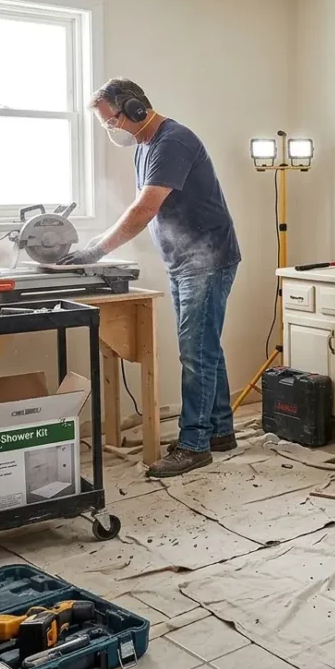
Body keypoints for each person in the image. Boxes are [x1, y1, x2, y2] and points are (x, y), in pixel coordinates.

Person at [64, 78, 242, 478]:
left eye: (112, 122)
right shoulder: (145, 146)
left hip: (207, 259)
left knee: (195, 351)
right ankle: (220, 430)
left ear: (136, 110)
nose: (112, 131)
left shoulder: (172, 142)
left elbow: (144, 209)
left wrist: (96, 251)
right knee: (205, 346)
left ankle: (194, 444)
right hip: (185, 261)